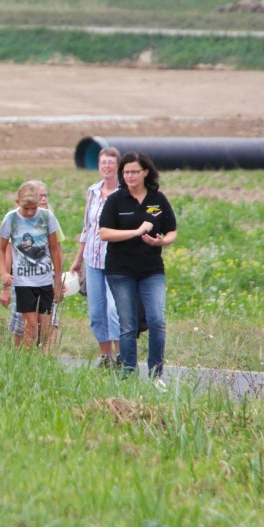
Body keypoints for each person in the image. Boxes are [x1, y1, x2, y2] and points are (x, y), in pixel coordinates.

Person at [99, 152, 178, 389]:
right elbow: (104, 233)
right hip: (120, 270)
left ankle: (156, 375)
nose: (130, 176)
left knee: (156, 320)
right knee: (128, 324)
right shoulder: (116, 200)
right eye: (126, 172)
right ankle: (128, 374)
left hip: (151, 269)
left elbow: (172, 230)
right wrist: (135, 232)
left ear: (145, 172)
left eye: (134, 171)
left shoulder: (158, 199)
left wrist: (161, 242)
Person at [70, 147, 123, 369]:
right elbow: (87, 228)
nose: (107, 166)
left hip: (115, 260)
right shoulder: (93, 191)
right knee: (96, 311)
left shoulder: (124, 192)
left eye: (111, 162)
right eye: (103, 162)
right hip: (92, 259)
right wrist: (78, 259)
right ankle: (106, 356)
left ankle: (123, 356)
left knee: (114, 309)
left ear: (117, 165)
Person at [0, 182, 63, 350]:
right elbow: (2, 250)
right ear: (17, 202)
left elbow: (55, 249)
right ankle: (26, 362)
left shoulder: (47, 217)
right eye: (26, 208)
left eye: (34, 208)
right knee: (31, 326)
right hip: (23, 282)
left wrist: (57, 280)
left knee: (45, 328)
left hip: (45, 280)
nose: (30, 212)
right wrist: (4, 273)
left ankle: (42, 363)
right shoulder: (11, 218)